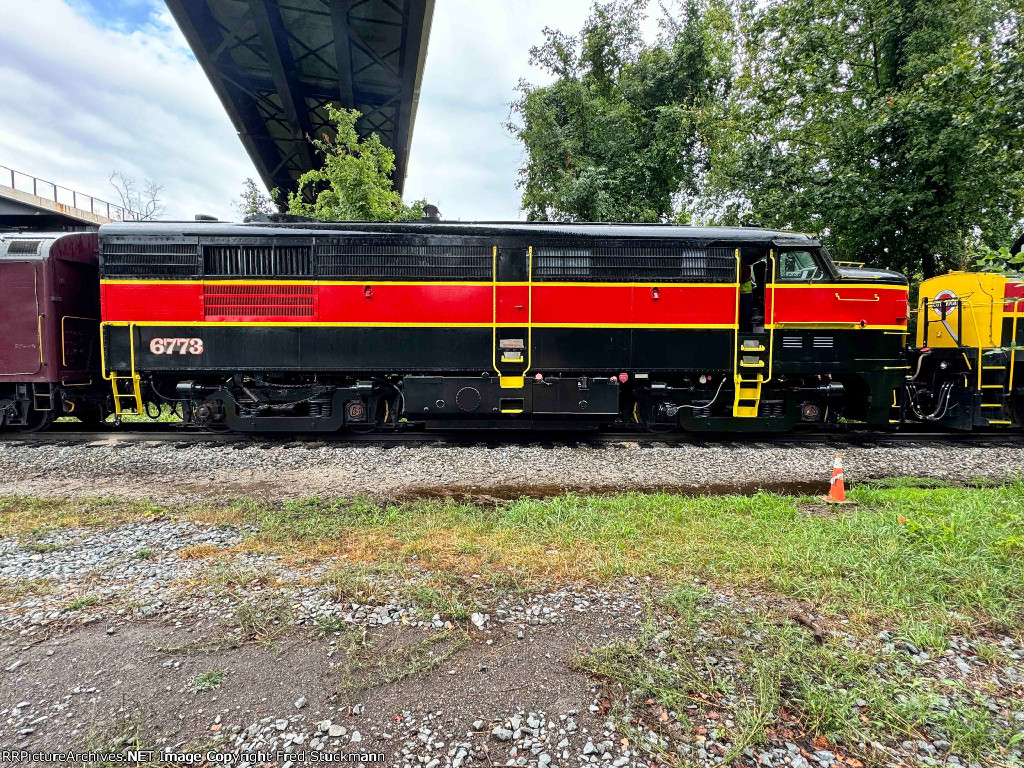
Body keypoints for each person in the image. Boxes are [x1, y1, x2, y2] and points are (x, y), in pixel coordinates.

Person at [739, 264, 754, 332]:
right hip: (743, 293)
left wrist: (738, 281)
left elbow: (745, 279)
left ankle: (746, 329)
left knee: (746, 313)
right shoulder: (743, 267)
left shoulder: (746, 267)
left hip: (746, 293)